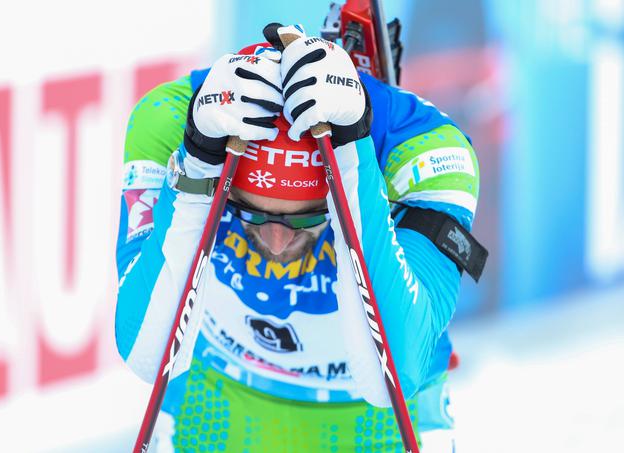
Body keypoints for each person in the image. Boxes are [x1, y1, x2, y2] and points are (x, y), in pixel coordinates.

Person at [115, 23, 481, 452]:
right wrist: (197, 167)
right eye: (247, 212)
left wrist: (352, 159)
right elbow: (146, 352)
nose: (274, 242)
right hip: (216, 398)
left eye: (307, 219)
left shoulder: (426, 148)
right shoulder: (171, 119)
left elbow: (394, 377)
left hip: (373, 425)